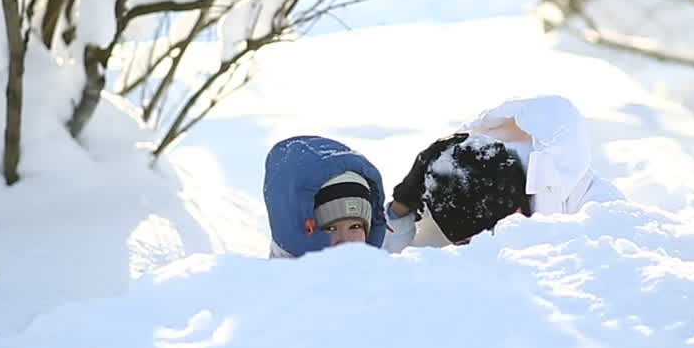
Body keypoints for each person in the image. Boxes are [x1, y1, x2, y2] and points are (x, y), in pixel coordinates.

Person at [384, 95, 624, 250]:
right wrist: (401, 207)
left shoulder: (598, 207)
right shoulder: (453, 186)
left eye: (473, 240)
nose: (466, 249)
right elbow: (385, 270)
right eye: (461, 242)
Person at [262, 135, 414, 258]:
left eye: (355, 226)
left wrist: (400, 210)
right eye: (330, 228)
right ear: (302, 231)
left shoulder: (371, 274)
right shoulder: (281, 289)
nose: (345, 241)